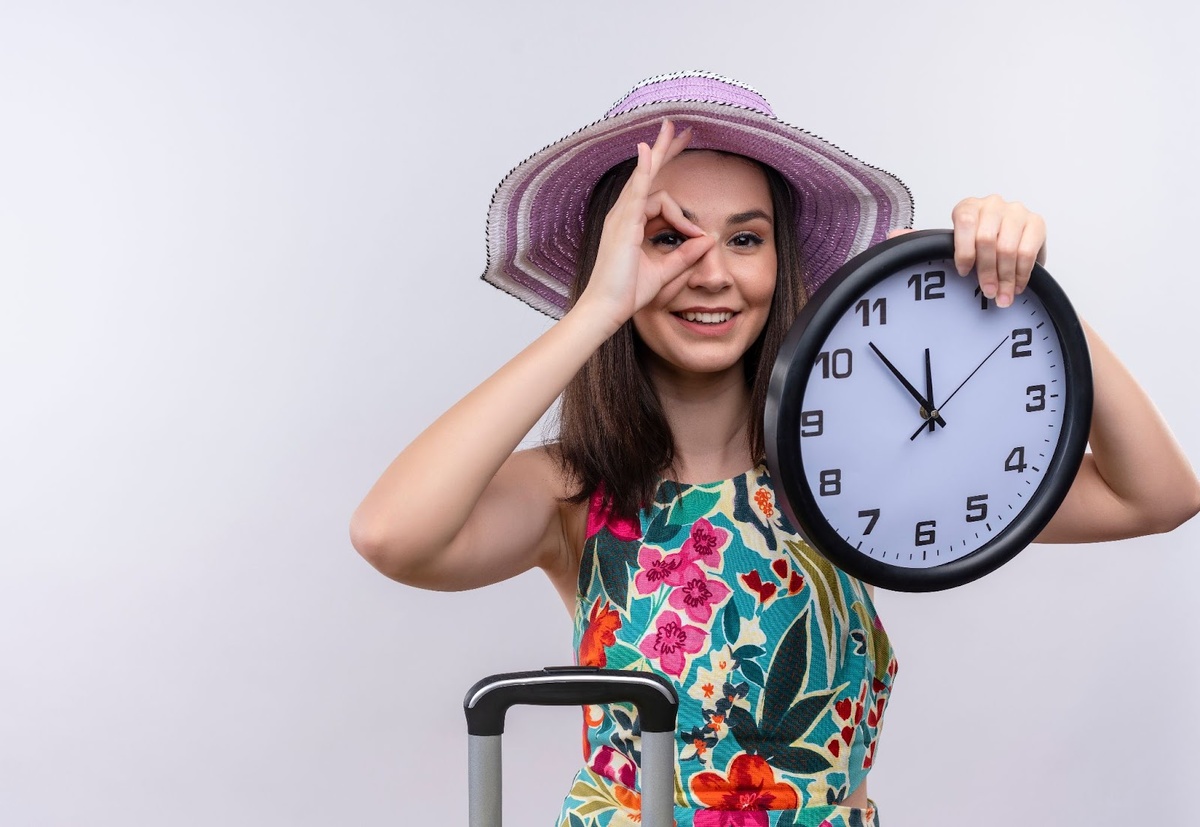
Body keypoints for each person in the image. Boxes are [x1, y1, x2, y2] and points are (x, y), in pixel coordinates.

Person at [350, 72, 1200, 827]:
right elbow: (392, 534)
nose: (712, 272)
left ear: (781, 263)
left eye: (746, 238)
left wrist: (1034, 294)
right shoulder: (574, 493)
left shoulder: (857, 476)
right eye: (666, 237)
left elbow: (1154, 497)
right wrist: (596, 313)